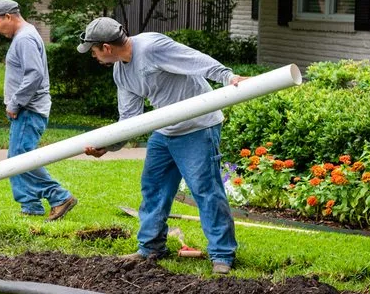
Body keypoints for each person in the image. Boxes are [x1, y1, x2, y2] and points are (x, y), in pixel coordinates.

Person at [77, 17, 248, 274]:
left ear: (107, 47)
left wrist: (228, 76)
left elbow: (195, 60)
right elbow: (130, 120)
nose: (93, 55)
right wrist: (109, 146)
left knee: (205, 189)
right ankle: (151, 247)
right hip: (165, 129)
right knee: (154, 187)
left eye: (93, 50)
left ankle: (222, 255)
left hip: (197, 127)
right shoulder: (120, 71)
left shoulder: (151, 47)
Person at [0, 0, 78, 221]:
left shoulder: (24, 38)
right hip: (29, 109)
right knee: (15, 158)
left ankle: (59, 196)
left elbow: (34, 74)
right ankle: (30, 204)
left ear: (8, 16)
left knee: (21, 158)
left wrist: (15, 103)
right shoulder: (25, 36)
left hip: (29, 109)